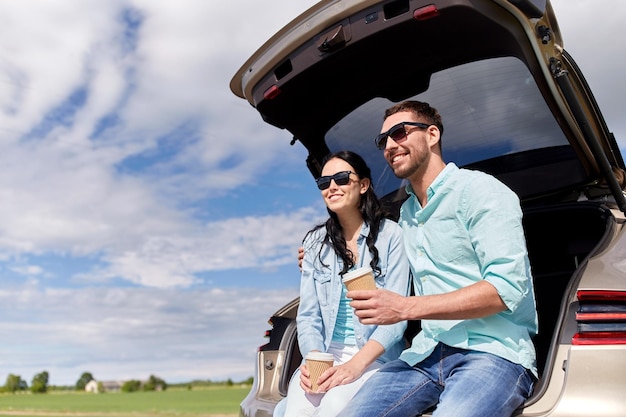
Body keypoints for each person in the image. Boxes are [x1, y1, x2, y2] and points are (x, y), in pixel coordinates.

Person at [324, 101, 538, 417]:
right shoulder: (405, 217)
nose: (390, 146)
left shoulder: (481, 191)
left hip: (492, 352)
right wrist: (322, 253)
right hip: (423, 355)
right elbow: (366, 245)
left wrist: (405, 308)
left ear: (432, 134)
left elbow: (504, 290)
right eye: (383, 141)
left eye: (399, 133)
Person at [278, 150, 411, 417]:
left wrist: (355, 366)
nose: (332, 187)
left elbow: (396, 321)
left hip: (375, 359)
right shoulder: (314, 243)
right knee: (294, 411)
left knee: (334, 406)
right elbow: (308, 316)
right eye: (324, 182)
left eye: (341, 178)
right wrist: (314, 360)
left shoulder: (392, 236)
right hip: (325, 357)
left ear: (363, 185)